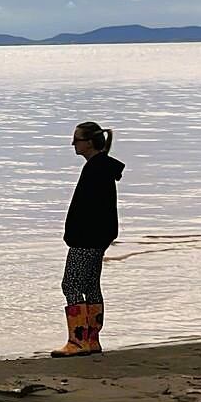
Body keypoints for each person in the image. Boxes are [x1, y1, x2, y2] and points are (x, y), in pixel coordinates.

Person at [54, 121, 124, 357]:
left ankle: (78, 341)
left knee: (71, 285)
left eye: (77, 139)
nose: (73, 144)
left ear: (90, 142)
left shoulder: (96, 169)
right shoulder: (101, 168)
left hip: (87, 239)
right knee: (91, 285)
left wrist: (74, 234)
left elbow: (89, 209)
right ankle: (91, 340)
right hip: (96, 238)